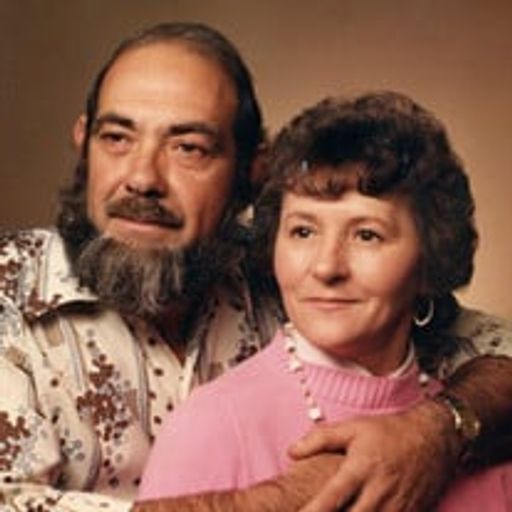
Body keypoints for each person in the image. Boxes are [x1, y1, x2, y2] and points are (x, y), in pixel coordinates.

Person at [0, 22, 510, 512]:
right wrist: (275, 500)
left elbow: (498, 350)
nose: (142, 178)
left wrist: (440, 428)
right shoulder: (11, 289)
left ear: (253, 169)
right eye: (117, 138)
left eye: (188, 148)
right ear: (83, 143)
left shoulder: (280, 269)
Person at [137, 91, 512, 511]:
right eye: (303, 231)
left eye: (367, 235)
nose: (326, 267)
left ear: (431, 261)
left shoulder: (481, 435)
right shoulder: (210, 425)